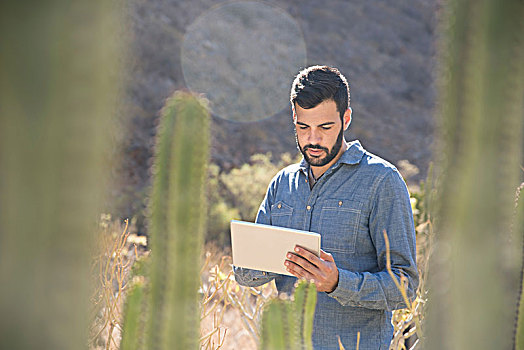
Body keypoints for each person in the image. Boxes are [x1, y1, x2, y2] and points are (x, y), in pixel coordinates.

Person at [234, 65, 418, 349]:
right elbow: (245, 274)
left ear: (346, 118)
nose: (313, 139)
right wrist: (264, 261)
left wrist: (337, 282)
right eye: (303, 127)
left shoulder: (382, 181)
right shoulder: (282, 184)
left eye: (325, 127)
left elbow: (405, 287)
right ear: (294, 118)